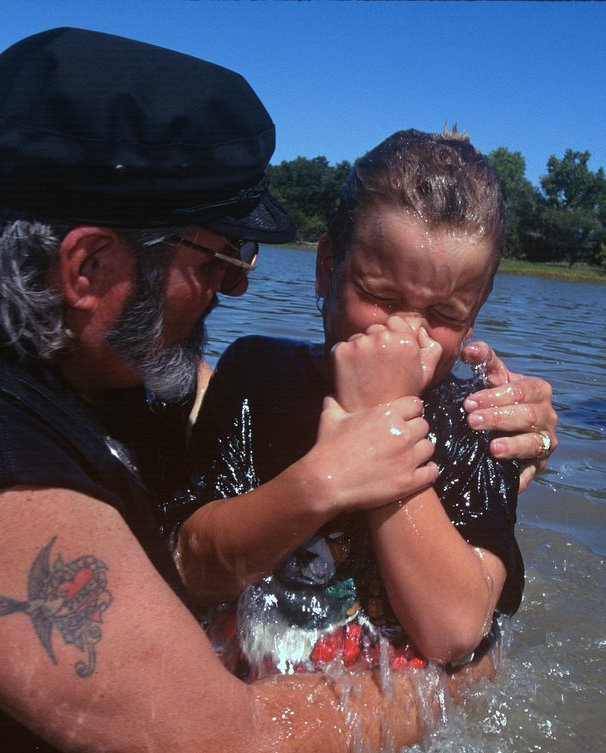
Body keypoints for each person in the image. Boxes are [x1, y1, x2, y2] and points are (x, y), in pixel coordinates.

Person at [0, 28, 556, 753]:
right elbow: (219, 744)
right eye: (217, 261)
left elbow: (214, 389)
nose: (238, 290)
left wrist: (488, 425)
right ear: (88, 266)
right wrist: (460, 683)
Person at [167, 129, 525, 679]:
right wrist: (330, 477)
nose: (409, 334)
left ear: (475, 314)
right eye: (381, 297)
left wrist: (380, 421)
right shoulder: (257, 374)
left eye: (446, 316)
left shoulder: (481, 422)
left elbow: (455, 632)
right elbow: (190, 567)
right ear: (327, 265)